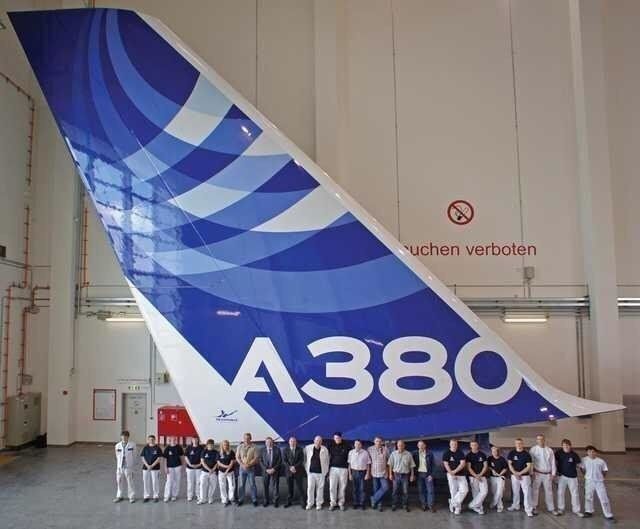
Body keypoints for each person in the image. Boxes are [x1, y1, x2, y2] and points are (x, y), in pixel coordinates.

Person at [580, 445, 614, 521]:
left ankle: (608, 514)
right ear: (587, 452)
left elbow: (605, 470)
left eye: (593, 451)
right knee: (588, 497)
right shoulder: (584, 460)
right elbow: (582, 468)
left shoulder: (601, 461)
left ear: (596, 452)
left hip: (599, 482)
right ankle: (589, 511)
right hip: (589, 481)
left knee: (603, 497)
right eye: (589, 452)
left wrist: (601, 477)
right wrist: (586, 475)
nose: (591, 453)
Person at [530, 434, 558, 515]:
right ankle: (534, 507)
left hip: (547, 474)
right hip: (537, 473)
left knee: (549, 491)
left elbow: (552, 462)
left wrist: (553, 473)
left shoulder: (549, 450)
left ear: (544, 440)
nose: (540, 440)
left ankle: (551, 508)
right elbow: (531, 462)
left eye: (542, 439)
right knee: (535, 491)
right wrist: (531, 473)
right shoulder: (533, 449)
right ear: (536, 440)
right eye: (538, 439)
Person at [555, 438, 583, 517]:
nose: (566, 447)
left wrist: (585, 473)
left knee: (574, 494)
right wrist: (555, 473)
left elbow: (579, 465)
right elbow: (554, 462)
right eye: (564, 445)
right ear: (562, 446)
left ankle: (576, 510)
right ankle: (560, 509)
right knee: (560, 493)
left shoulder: (574, 454)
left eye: (567, 445)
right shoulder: (558, 453)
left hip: (572, 477)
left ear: (570, 446)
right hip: (561, 476)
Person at [507, 438, 534, 517]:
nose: (519, 445)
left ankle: (528, 509)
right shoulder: (512, 453)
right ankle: (515, 505)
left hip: (525, 476)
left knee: (527, 493)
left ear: (522, 444)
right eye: (517, 443)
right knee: (515, 491)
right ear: (515, 444)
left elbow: (528, 466)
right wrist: (515, 473)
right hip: (514, 476)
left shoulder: (526, 454)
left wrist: (520, 473)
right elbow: (509, 464)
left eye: (520, 443)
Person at [388, 440, 415, 512]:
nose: (400, 446)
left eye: (402, 445)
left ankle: (405, 505)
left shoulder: (408, 454)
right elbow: (390, 465)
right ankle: (394, 505)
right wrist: (390, 474)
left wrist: (412, 475)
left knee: (405, 491)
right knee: (395, 491)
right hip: (396, 475)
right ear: (397, 446)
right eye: (399, 445)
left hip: (405, 476)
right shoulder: (393, 454)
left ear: (404, 445)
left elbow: (412, 466)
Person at [442, 439, 468, 515]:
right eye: (452, 444)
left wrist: (455, 472)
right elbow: (446, 464)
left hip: (461, 474)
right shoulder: (446, 453)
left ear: (457, 445)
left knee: (465, 490)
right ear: (450, 444)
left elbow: (462, 463)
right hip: (450, 474)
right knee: (453, 491)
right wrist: (451, 473)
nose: (454, 445)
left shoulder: (460, 452)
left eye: (455, 444)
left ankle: (452, 502)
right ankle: (457, 508)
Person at [304, 435, 329, 510]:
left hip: (321, 473)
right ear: (314, 441)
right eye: (317, 440)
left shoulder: (325, 449)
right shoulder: (308, 448)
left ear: (321, 442)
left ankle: (319, 504)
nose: (318, 442)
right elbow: (304, 459)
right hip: (311, 473)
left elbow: (327, 461)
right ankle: (310, 503)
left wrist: (326, 471)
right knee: (310, 488)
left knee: (320, 489)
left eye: (320, 441)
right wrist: (306, 468)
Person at [328, 432, 350, 511]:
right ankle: (333, 503)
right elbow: (328, 458)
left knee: (342, 487)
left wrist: (349, 470)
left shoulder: (347, 446)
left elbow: (350, 458)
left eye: (338, 438)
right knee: (332, 487)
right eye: (335, 438)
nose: (336, 439)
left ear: (341, 438)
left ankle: (341, 503)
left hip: (344, 469)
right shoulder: (330, 445)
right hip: (333, 469)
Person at [282, 436, 306, 508]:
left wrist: (294, 467)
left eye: (294, 441)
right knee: (290, 488)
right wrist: (290, 467)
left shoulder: (300, 449)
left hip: (298, 471)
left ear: (296, 442)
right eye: (291, 441)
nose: (292, 443)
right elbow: (284, 461)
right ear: (289, 442)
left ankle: (303, 502)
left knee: (300, 487)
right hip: (288, 471)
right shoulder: (285, 450)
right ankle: (289, 502)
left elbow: (301, 460)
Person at [236, 432, 259, 506]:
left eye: (248, 438)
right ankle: (241, 499)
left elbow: (256, 458)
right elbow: (237, 457)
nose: (246, 439)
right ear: (243, 439)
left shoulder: (254, 447)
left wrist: (249, 464)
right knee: (241, 485)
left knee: (252, 484)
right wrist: (242, 465)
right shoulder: (240, 447)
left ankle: (254, 499)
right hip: (242, 468)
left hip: (251, 468)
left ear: (250, 438)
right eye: (245, 438)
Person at [412, 440, 435, 512]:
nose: (421, 446)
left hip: (428, 475)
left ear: (425, 445)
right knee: (421, 490)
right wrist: (413, 474)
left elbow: (433, 465)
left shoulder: (430, 453)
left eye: (422, 445)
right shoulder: (414, 453)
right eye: (419, 445)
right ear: (417, 446)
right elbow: (412, 465)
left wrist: (431, 475)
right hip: (419, 474)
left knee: (430, 491)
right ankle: (423, 505)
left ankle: (430, 505)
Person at [466, 440, 489, 515]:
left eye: (475, 445)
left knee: (484, 491)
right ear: (470, 446)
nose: (474, 446)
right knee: (475, 492)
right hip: (473, 477)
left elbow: (485, 466)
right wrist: (476, 476)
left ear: (477, 446)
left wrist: (480, 475)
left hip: (482, 476)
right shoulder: (469, 455)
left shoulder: (482, 454)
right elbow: (469, 467)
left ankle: (472, 505)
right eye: (472, 445)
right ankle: (478, 508)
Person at [367, 436, 390, 511]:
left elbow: (388, 461)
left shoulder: (385, 449)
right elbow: (368, 461)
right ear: (374, 441)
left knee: (385, 487)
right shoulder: (370, 449)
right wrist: (368, 472)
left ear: (382, 442)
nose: (378, 443)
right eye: (377, 441)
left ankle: (373, 499)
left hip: (383, 473)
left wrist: (387, 472)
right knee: (376, 489)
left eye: (380, 441)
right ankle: (378, 505)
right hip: (374, 473)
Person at [114, 430, 136, 503]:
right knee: (119, 481)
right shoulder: (117, 445)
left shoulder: (132, 445)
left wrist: (131, 465)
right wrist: (119, 464)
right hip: (120, 466)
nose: (124, 438)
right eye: (122, 437)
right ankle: (119, 496)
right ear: (121, 437)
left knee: (130, 481)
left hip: (128, 466)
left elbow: (134, 455)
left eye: (125, 437)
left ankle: (131, 497)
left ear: (128, 437)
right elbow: (117, 456)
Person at [348, 439, 371, 509]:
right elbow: (349, 464)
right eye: (356, 444)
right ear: (354, 445)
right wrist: (350, 474)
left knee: (362, 489)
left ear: (361, 445)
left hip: (362, 473)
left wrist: (367, 474)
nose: (357, 445)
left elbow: (368, 464)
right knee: (354, 489)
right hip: (354, 472)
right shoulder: (351, 452)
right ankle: (355, 503)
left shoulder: (365, 453)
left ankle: (362, 503)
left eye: (359, 444)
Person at [260, 436, 282, 507]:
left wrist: (274, 469)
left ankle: (275, 501)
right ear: (265, 443)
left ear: (272, 442)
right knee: (265, 486)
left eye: (270, 442)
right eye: (267, 442)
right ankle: (266, 501)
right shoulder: (262, 450)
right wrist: (266, 469)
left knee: (275, 486)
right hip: (265, 471)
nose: (269, 443)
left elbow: (279, 460)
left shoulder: (277, 449)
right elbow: (260, 461)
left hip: (274, 470)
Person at [140, 434, 162, 502]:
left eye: (152, 440)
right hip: (146, 467)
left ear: (154, 440)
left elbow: (159, 458)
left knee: (155, 482)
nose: (151, 441)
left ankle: (156, 496)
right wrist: (147, 465)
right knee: (146, 482)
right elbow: (142, 457)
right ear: (148, 440)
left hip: (155, 468)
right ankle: (146, 496)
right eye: (150, 440)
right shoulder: (145, 448)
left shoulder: (158, 448)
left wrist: (152, 466)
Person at [163, 436, 184, 502]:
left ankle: (174, 495)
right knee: (169, 481)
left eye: (175, 440)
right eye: (172, 440)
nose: (174, 441)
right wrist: (165, 467)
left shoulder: (179, 447)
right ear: (170, 441)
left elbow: (181, 457)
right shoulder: (167, 448)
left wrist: (182, 465)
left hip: (178, 466)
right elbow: (165, 459)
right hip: (169, 467)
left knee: (176, 481)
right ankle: (166, 496)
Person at [487, 445, 508, 513]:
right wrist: (492, 470)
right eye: (492, 451)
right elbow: (488, 466)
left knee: (499, 492)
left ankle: (498, 505)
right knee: (494, 492)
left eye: (495, 451)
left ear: (498, 452)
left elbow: (505, 468)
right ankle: (496, 503)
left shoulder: (502, 459)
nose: (494, 452)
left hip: (501, 477)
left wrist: (500, 474)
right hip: (493, 477)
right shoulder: (490, 458)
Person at [198, 438, 219, 505]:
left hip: (213, 472)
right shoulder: (204, 452)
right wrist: (209, 469)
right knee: (202, 485)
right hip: (204, 472)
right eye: (209, 444)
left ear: (213, 445)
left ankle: (210, 498)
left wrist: (213, 469)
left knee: (212, 485)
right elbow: (202, 462)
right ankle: (203, 499)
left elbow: (217, 462)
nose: (210, 446)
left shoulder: (216, 452)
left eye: (212, 444)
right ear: (207, 445)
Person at [217, 440, 236, 506]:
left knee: (232, 486)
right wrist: (226, 467)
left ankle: (231, 499)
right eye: (224, 445)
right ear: (222, 445)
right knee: (222, 486)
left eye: (227, 444)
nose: (226, 446)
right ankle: (224, 500)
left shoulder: (231, 452)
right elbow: (218, 463)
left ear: (228, 445)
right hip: (221, 472)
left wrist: (227, 470)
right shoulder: (219, 453)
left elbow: (232, 462)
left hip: (230, 472)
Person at [185, 436, 203, 502]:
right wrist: (189, 464)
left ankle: (198, 495)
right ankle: (190, 495)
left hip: (198, 468)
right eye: (193, 439)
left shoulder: (201, 448)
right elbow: (186, 457)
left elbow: (203, 458)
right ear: (192, 440)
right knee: (190, 482)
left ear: (198, 440)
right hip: (190, 468)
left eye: (196, 439)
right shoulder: (188, 447)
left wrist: (199, 464)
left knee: (198, 482)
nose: (195, 441)